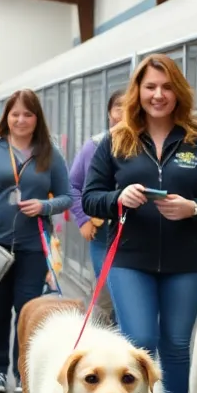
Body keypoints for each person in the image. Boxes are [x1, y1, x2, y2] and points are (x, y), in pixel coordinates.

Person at [82, 52, 197, 393]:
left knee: (175, 345)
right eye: (150, 87)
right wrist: (118, 199)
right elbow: (90, 197)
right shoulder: (117, 140)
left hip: (186, 263)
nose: (158, 94)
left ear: (178, 92)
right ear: (138, 92)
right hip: (130, 258)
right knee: (140, 342)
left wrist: (194, 208)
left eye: (166, 87)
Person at [0, 89, 70, 393]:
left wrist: (44, 206)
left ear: (37, 120)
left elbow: (67, 196)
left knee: (27, 310)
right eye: (15, 114)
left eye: (28, 114)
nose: (21, 120)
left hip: (33, 245)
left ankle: (23, 371)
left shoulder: (49, 153)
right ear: (6, 117)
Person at [68, 90, 123, 326]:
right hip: (102, 235)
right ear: (109, 113)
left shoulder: (149, 145)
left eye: (129, 106)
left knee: (129, 298)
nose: (123, 113)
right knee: (108, 291)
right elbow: (72, 185)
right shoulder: (95, 145)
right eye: (118, 107)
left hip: (139, 237)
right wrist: (82, 219)